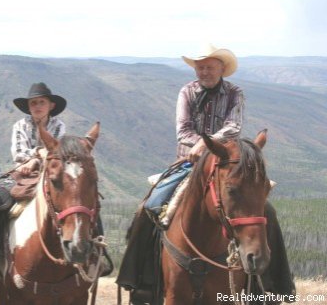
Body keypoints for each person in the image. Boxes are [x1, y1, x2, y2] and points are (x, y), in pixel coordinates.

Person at [117, 44, 295, 304]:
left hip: (227, 162)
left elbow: (233, 126)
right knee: (150, 205)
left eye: (210, 66)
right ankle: (140, 280)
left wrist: (209, 142)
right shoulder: (187, 92)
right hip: (190, 162)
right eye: (200, 67)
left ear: (222, 68)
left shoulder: (235, 93)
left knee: (266, 210)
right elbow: (183, 130)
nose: (204, 71)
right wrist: (200, 146)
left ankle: (271, 289)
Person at [0, 82, 66, 268]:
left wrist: (36, 159)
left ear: (51, 106)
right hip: (21, 174)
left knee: (81, 198)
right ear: (29, 107)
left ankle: (94, 249)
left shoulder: (59, 126)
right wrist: (38, 156)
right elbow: (18, 153)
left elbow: (56, 152)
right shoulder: (20, 125)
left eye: (42, 102)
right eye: (33, 103)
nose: (37, 106)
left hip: (51, 174)